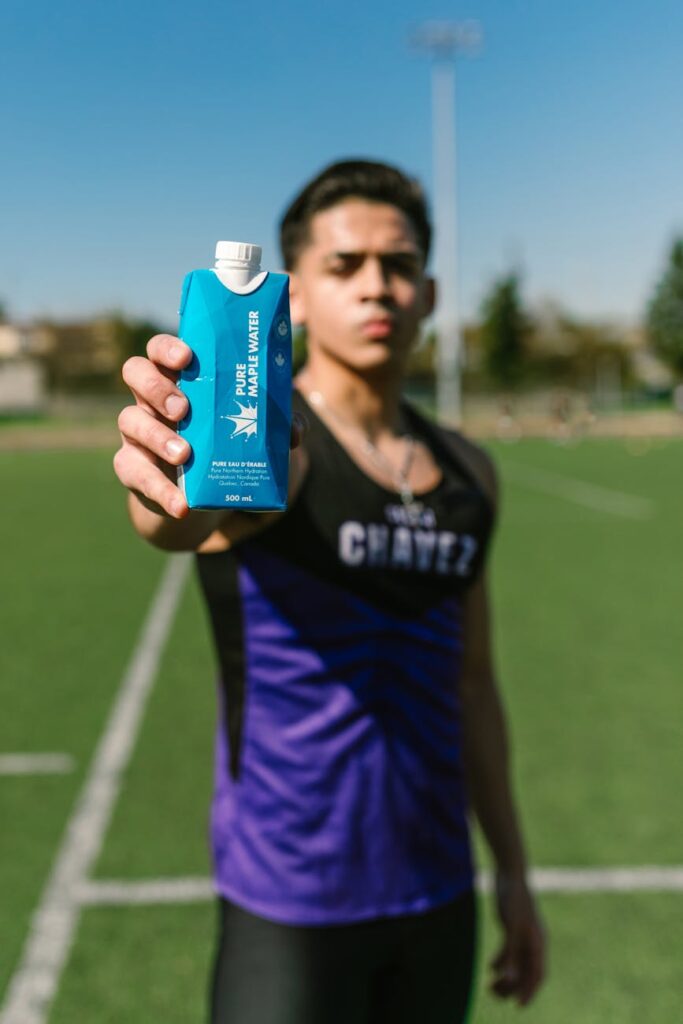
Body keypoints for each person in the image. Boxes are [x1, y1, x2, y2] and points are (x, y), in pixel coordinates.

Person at [114, 159, 546, 1023]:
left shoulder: (471, 474)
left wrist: (513, 873)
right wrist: (161, 482)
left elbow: (472, 683)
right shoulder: (277, 448)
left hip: (435, 889)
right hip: (289, 898)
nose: (375, 288)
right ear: (294, 295)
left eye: (398, 266)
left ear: (426, 294)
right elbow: (181, 522)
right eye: (344, 266)